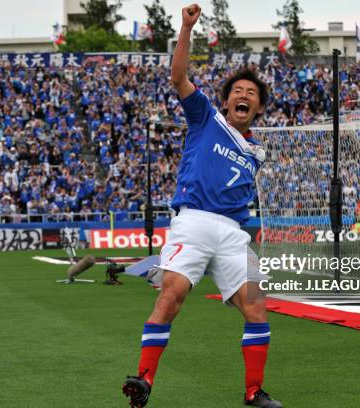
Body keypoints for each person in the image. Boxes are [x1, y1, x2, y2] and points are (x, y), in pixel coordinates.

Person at [123, 4, 281, 408]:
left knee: (258, 307)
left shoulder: (257, 152)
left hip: (233, 235)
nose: (244, 96)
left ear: (259, 108)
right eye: (238, 92)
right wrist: (186, 28)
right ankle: (143, 381)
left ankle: (253, 392)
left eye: (252, 94)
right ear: (227, 101)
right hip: (192, 223)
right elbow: (178, 77)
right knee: (170, 295)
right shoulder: (206, 117)